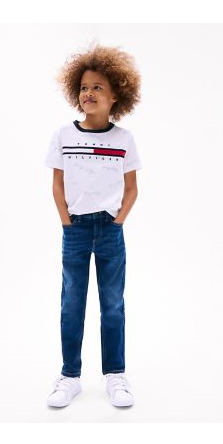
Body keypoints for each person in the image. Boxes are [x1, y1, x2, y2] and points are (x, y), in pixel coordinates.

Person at [44, 43, 142, 407]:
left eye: (98, 87)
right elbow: (57, 184)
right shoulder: (63, 136)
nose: (89, 93)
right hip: (75, 230)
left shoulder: (124, 139)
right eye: (84, 87)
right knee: (71, 303)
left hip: (111, 230)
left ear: (116, 96)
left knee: (112, 303)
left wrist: (118, 222)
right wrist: (67, 222)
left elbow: (132, 188)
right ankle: (69, 376)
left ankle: (115, 374)